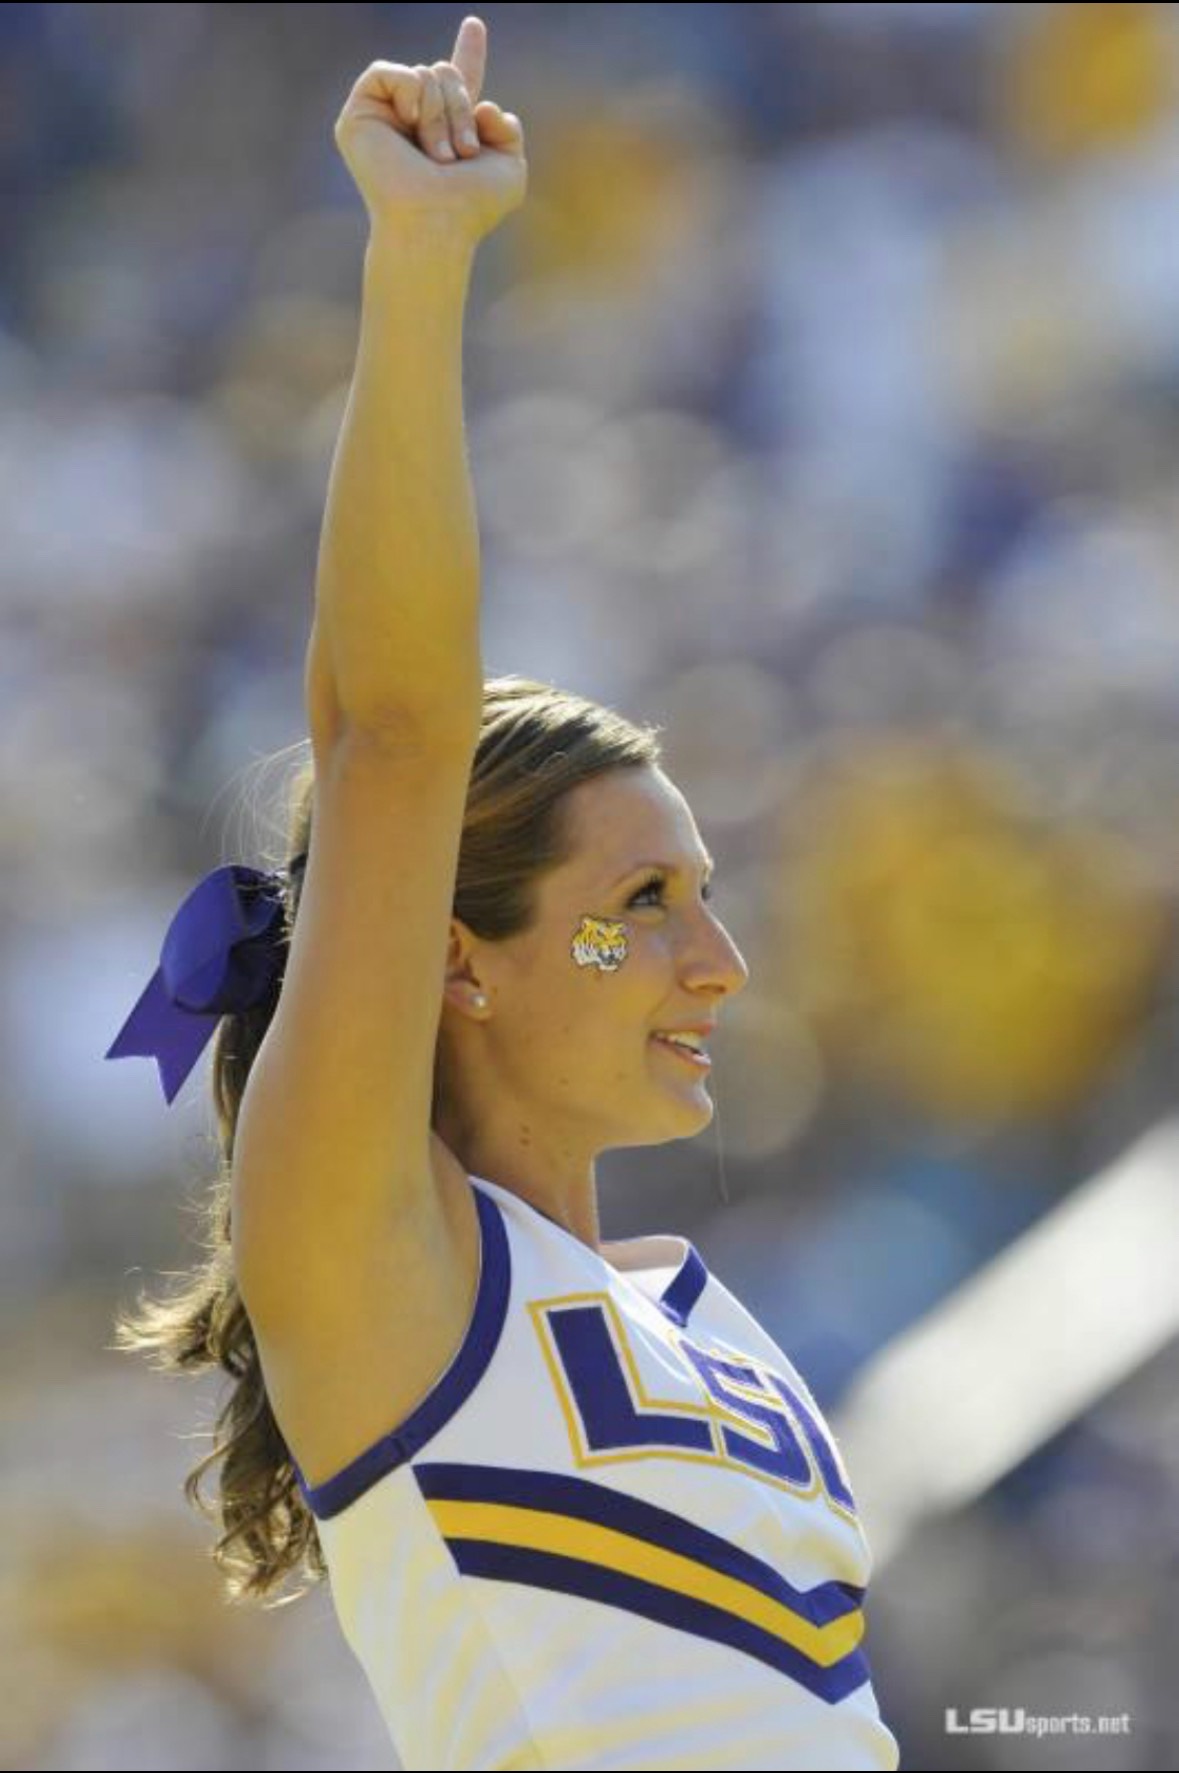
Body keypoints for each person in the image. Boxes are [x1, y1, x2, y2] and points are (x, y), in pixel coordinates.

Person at [109, 17, 901, 1770]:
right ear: (454, 963)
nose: (723, 958)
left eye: (707, 891)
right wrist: (419, 257)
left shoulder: (700, 1303)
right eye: (645, 900)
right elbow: (390, 737)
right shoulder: (384, 1260)